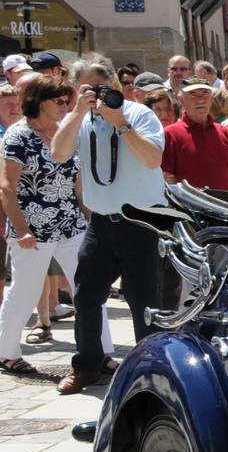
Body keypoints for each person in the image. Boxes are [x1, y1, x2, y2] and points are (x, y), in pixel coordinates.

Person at [49, 60, 166, 395]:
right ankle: (87, 366)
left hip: (142, 222)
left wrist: (121, 124)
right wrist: (76, 112)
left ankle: (149, 371)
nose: (97, 95)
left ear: (113, 84)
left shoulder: (139, 114)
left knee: (144, 301)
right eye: (88, 88)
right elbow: (58, 153)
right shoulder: (79, 119)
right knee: (86, 296)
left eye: (102, 87)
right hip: (101, 223)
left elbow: (153, 159)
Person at [0, 76, 106, 376]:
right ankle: (6, 352)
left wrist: (92, 221)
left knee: (90, 288)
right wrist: (21, 229)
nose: (64, 106)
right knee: (25, 290)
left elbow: (78, 186)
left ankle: (100, 353)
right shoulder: (19, 135)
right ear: (38, 102)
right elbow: (6, 187)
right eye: (58, 101)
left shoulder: (64, 132)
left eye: (67, 101)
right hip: (32, 227)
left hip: (72, 223)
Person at [160, 78, 228, 193]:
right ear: (181, 100)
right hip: (188, 203)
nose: (200, 100)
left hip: (225, 203)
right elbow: (166, 178)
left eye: (205, 94)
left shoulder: (226, 133)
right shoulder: (170, 135)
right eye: (193, 95)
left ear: (211, 98)